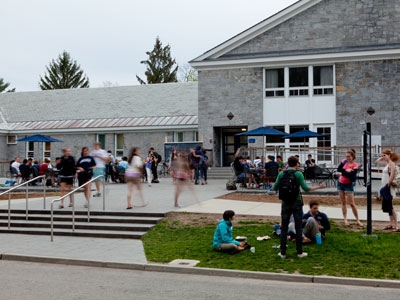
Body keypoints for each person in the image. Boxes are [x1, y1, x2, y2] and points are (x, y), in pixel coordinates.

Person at [271, 155, 326, 259]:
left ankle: (283, 253)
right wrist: (319, 186)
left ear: (287, 163)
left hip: (285, 202)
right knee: (298, 227)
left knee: (284, 228)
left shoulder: (281, 173)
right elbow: (306, 188)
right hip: (296, 202)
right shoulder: (299, 174)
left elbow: (274, 187)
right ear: (297, 164)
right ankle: (299, 252)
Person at [336, 148, 363, 227]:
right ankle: (345, 219)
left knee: (351, 203)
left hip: (349, 184)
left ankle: (357, 220)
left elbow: (352, 175)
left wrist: (343, 173)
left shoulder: (355, 165)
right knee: (343, 202)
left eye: (349, 156)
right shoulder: (344, 162)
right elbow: (338, 170)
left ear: (352, 156)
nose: (347, 158)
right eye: (346, 156)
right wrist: (346, 172)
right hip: (341, 183)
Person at [375, 150, 399, 232]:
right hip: (384, 185)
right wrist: (382, 157)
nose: (383, 157)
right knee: (388, 206)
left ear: (389, 155)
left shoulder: (392, 163)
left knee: (390, 206)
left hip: (388, 186)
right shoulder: (387, 164)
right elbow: (377, 161)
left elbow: (392, 174)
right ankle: (391, 223)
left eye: (384, 155)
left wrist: (388, 184)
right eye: (382, 155)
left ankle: (396, 225)